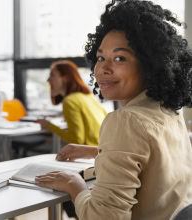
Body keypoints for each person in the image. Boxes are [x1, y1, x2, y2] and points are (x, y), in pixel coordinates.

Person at [35, 0, 192, 219]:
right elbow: (155, 158)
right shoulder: (169, 112)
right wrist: (95, 151)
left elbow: (103, 217)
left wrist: (74, 184)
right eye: (100, 58)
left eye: (120, 58)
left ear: (149, 65)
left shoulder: (126, 120)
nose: (103, 69)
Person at [37, 60, 107, 146]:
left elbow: (77, 140)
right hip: (103, 149)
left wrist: (49, 126)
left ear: (65, 78)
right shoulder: (88, 97)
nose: (48, 80)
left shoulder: (69, 101)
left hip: (90, 154)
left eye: (52, 75)